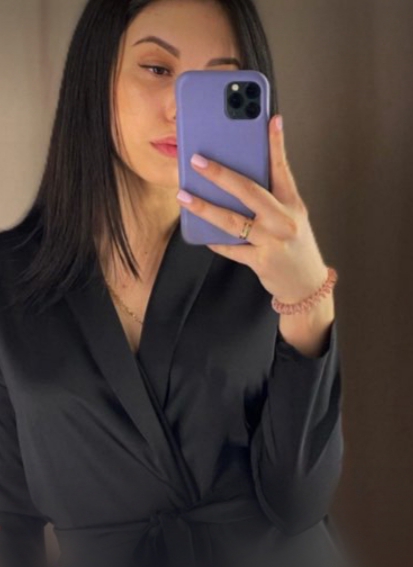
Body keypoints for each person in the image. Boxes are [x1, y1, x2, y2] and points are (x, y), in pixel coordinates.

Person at [0, 1, 354, 567]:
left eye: (215, 82)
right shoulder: (12, 274)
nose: (179, 109)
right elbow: (8, 517)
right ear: (95, 76)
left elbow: (299, 502)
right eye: (157, 69)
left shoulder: (271, 259)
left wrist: (307, 299)